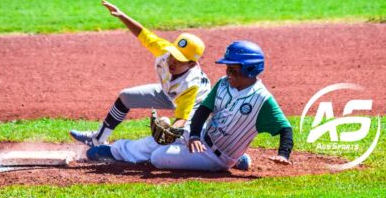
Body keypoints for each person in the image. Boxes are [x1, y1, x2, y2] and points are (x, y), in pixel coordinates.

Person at [86, 41, 293, 171]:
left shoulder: (262, 100)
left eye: (233, 68)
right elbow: (203, 111)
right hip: (202, 136)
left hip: (216, 158)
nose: (228, 72)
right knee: (166, 136)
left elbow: (285, 128)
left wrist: (283, 154)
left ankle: (235, 160)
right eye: (227, 67)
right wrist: (193, 135)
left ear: (250, 69)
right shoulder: (222, 84)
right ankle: (116, 151)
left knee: (159, 157)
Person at [70, 0, 211, 147]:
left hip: (196, 105)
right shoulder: (164, 51)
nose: (173, 61)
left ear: (192, 64)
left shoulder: (190, 85)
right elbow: (143, 34)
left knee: (181, 139)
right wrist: (121, 15)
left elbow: (182, 117)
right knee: (126, 96)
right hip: (169, 93)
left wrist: (171, 129)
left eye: (180, 60)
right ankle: (97, 140)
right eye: (173, 55)